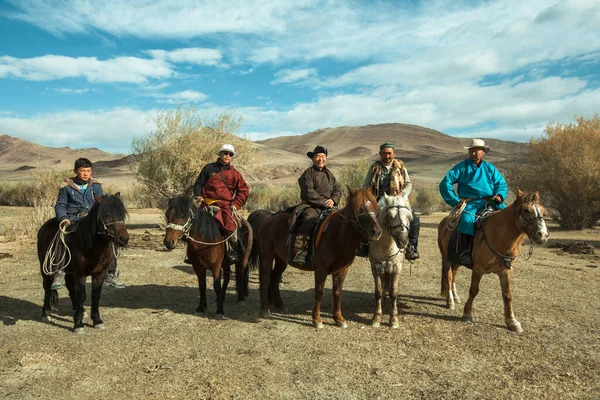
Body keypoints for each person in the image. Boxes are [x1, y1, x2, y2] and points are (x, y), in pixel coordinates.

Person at [53, 158, 125, 290]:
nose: (86, 173)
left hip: (92, 220)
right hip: (73, 219)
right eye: (82, 171)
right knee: (61, 237)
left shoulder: (96, 186)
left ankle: (111, 273)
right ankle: (59, 271)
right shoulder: (66, 187)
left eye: (88, 170)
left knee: (110, 239)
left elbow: (101, 204)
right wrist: (63, 218)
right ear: (75, 171)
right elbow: (60, 205)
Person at [439, 139, 508, 267]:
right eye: (471, 151)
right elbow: (445, 183)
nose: (474, 153)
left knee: (508, 217)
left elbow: (501, 184)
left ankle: (506, 253)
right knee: (466, 220)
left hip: (491, 201)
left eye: (476, 151)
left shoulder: (490, 168)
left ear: (483, 152)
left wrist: (499, 195)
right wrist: (455, 201)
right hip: (471, 203)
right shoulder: (462, 167)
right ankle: (465, 252)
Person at [361, 142, 421, 260]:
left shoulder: (401, 167)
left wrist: (402, 195)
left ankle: (411, 248)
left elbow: (408, 184)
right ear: (380, 154)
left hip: (399, 200)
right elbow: (366, 186)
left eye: (389, 153)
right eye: (384, 153)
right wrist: (369, 199)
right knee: (367, 219)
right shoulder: (374, 167)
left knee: (414, 220)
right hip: (379, 199)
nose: (387, 156)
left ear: (394, 153)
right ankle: (364, 247)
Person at [193, 144, 249, 263]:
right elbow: (198, 183)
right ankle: (192, 253)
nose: (227, 156)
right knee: (193, 224)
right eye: (225, 153)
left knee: (230, 224)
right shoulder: (208, 168)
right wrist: (198, 195)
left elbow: (243, 190)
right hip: (206, 203)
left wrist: (235, 205)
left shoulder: (235, 174)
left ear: (232, 157)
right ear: (220, 154)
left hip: (225, 205)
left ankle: (231, 251)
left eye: (230, 154)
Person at [293, 145, 342, 265]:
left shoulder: (329, 174)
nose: (321, 159)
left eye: (323, 156)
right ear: (313, 158)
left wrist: (334, 200)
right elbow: (308, 192)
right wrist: (325, 202)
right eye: (318, 156)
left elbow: (338, 190)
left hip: (329, 207)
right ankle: (301, 250)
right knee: (308, 220)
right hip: (312, 206)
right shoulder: (308, 174)